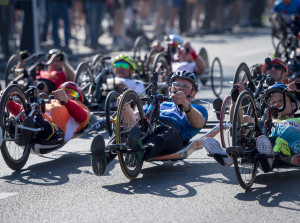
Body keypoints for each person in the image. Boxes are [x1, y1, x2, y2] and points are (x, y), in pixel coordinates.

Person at [90, 70, 208, 176]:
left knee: (166, 133)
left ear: (193, 93)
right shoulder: (160, 103)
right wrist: (125, 107)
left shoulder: (198, 109)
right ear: (170, 89)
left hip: (173, 133)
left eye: (186, 86)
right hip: (148, 126)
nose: (180, 88)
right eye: (177, 85)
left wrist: (185, 105)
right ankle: (103, 157)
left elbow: (199, 123)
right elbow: (135, 120)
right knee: (123, 130)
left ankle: (137, 153)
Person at [204, 83, 300, 171]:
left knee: (274, 140)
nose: (276, 104)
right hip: (259, 146)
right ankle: (229, 156)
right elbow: (239, 120)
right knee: (248, 128)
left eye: (281, 100)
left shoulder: (298, 120)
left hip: (289, 150)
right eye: (272, 101)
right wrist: (235, 101)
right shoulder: (265, 121)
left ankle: (268, 156)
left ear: (294, 105)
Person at [7, 81, 91, 152]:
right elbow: (25, 112)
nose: (65, 94)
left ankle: (26, 132)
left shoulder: (81, 107)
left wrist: (67, 101)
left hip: (56, 134)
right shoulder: (49, 102)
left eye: (71, 93)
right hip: (37, 122)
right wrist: (7, 101)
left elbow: (82, 118)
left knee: (44, 125)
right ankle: (15, 128)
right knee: (31, 110)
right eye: (62, 91)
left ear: (79, 98)